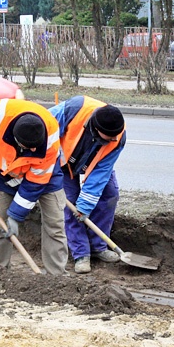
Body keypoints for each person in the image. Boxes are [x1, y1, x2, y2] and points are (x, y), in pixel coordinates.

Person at [0, 99, 68, 275]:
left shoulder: (50, 137)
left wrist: (16, 216)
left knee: (55, 225)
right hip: (5, 175)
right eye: (28, 147)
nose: (32, 151)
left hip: (45, 176)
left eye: (35, 147)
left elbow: (34, 184)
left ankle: (56, 276)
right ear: (16, 139)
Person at [49, 95, 126, 274]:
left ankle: (98, 246)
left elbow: (101, 172)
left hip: (94, 164)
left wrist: (85, 206)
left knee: (109, 194)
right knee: (70, 202)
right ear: (95, 128)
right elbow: (43, 128)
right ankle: (81, 253)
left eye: (114, 137)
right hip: (62, 161)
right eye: (108, 137)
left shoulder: (118, 137)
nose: (112, 140)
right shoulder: (74, 109)